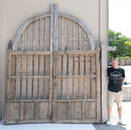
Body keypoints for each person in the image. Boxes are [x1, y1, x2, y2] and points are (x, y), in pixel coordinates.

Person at [106, 58, 125, 125]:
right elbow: (106, 78)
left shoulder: (122, 70)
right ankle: (109, 120)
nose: (113, 64)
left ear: (118, 63)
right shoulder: (109, 70)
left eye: (115, 63)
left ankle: (120, 119)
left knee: (119, 106)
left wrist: (121, 86)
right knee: (110, 106)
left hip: (119, 92)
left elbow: (123, 78)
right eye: (112, 63)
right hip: (111, 91)